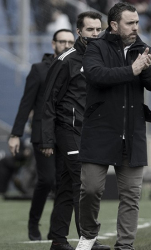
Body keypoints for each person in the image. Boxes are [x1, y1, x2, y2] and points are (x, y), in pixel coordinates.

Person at [77, 3, 151, 250]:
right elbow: (95, 75)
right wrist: (132, 69)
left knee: (131, 195)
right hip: (100, 131)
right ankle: (89, 234)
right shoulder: (96, 46)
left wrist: (145, 69)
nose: (136, 27)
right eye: (130, 23)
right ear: (114, 25)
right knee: (91, 188)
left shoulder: (143, 48)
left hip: (133, 133)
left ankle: (124, 246)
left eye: (137, 22)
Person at [40, 12, 109, 250]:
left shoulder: (98, 57)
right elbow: (48, 100)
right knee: (82, 181)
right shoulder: (65, 60)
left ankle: (58, 241)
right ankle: (87, 239)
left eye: (98, 29)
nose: (95, 34)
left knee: (67, 186)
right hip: (67, 130)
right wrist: (47, 139)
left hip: (88, 131)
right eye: (90, 30)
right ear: (79, 32)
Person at [8, 28, 74, 241]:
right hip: (41, 134)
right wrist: (16, 134)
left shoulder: (77, 68)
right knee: (46, 180)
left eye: (70, 41)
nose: (66, 45)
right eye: (62, 42)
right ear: (53, 44)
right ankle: (33, 223)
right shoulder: (38, 69)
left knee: (63, 184)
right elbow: (26, 103)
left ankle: (56, 231)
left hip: (66, 134)